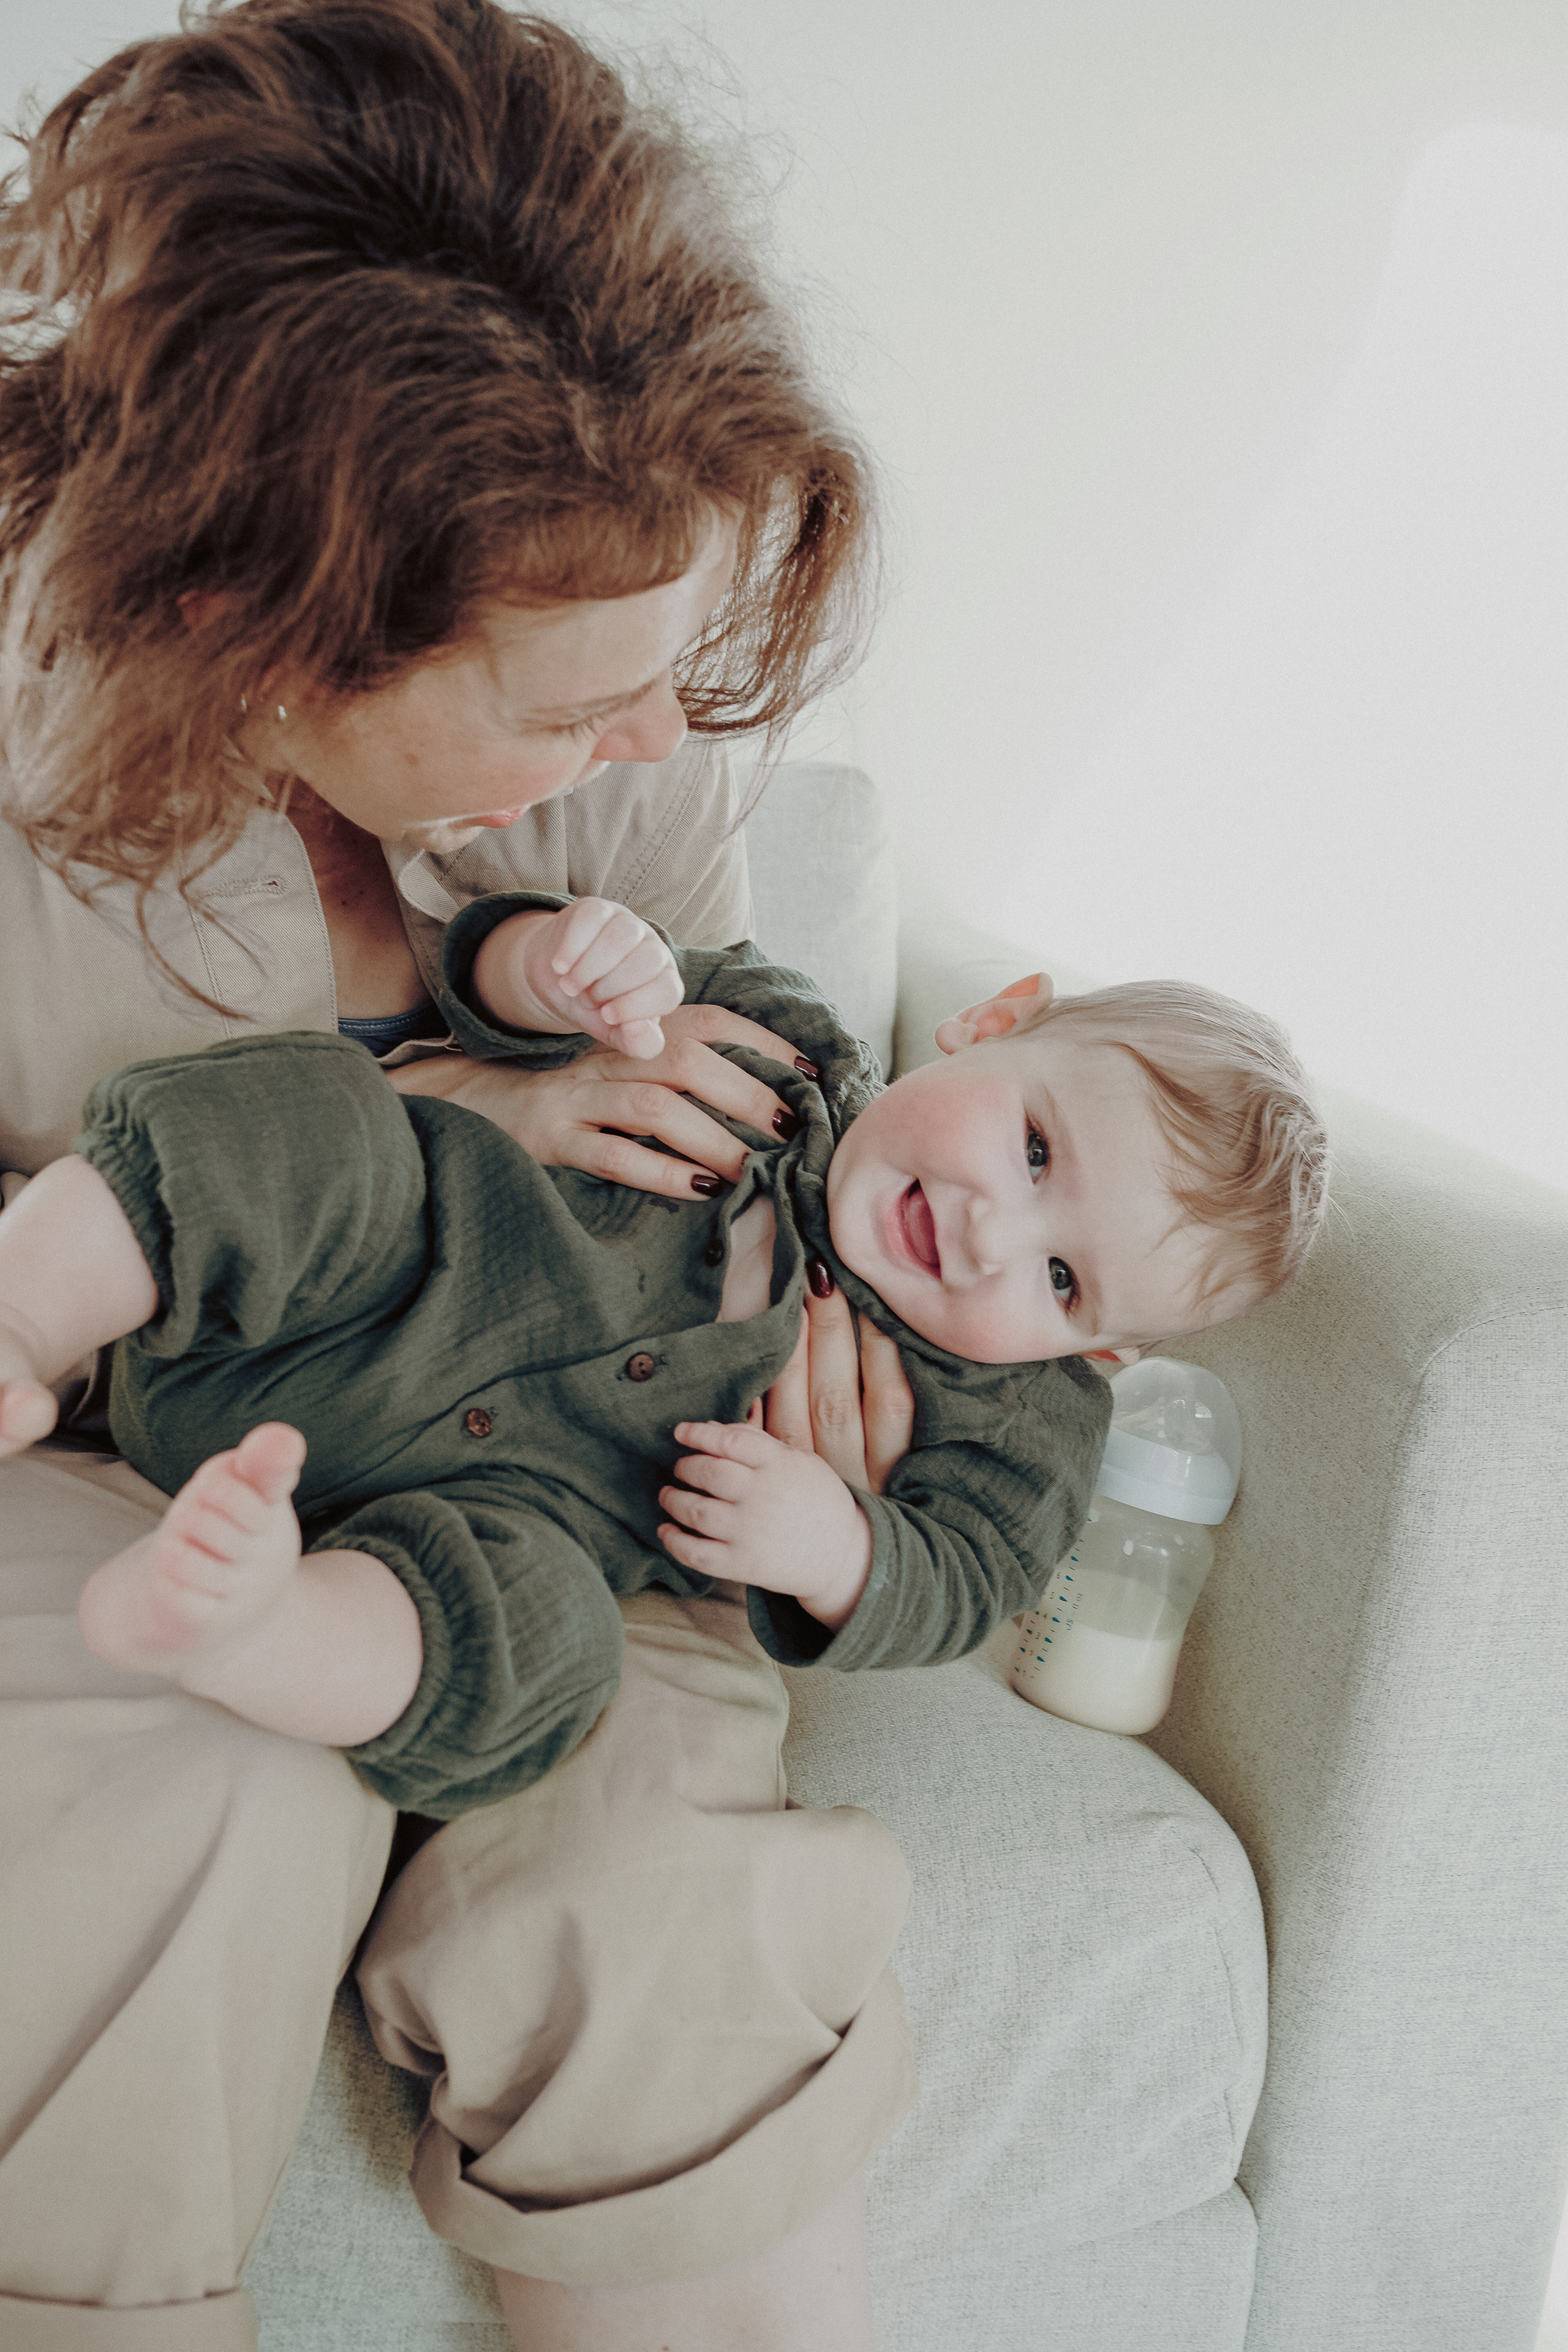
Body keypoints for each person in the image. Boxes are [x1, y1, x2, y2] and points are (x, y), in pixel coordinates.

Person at [0, 4, 930, 2348]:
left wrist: (839, 1363)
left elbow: (741, 1098)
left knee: (660, 1917)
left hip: (543, 1470)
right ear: (248, 621)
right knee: (205, 1769)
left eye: (678, 662)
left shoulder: (629, 714)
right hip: (117, 1463)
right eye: (563, 696)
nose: (652, 741)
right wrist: (427, 1137)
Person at [0, 891, 1328, 1815]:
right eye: (1033, 1149)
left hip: (478, 1518)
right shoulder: (777, 1040)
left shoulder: (1014, 1419)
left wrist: (839, 1549)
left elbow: (974, 1571)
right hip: (330, 1292)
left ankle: (252, 1628)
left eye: (1059, 1278)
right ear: (992, 1021)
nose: (990, 1232)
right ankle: (27, 1313)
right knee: (319, 1120)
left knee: (554, 1652)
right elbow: (505, 990)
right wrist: (552, 963)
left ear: (1098, 1353)